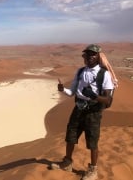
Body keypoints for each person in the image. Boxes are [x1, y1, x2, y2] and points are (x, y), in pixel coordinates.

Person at [50, 44, 116, 180]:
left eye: (93, 54)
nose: (89, 57)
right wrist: (63, 90)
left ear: (98, 57)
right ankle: (67, 163)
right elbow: (72, 92)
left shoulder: (104, 74)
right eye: (87, 54)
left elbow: (108, 100)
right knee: (71, 135)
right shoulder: (80, 72)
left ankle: (93, 170)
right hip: (78, 108)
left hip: (93, 112)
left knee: (92, 141)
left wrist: (94, 96)